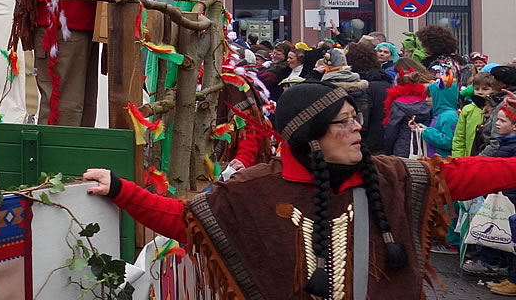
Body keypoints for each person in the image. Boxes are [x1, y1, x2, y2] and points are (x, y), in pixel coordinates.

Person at [83, 80, 516, 299]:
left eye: (355, 117)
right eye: (343, 122)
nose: (357, 128)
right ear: (310, 136)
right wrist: (121, 190)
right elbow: (185, 222)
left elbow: (466, 172)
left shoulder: (393, 175)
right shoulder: (251, 191)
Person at [486, 104, 516, 295]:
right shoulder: (504, 143)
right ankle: (512, 278)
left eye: (502, 120)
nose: (497, 123)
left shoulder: (510, 146)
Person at [345, 41, 391, 155]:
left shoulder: (362, 87)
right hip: (386, 141)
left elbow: (362, 121)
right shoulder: (386, 82)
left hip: (367, 145)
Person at [384, 70, 432, 157]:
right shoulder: (428, 101)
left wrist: (388, 150)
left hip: (403, 148)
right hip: (424, 146)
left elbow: (392, 130)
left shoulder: (398, 103)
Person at [412, 76, 459, 157]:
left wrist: (426, 132)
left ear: (440, 96)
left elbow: (449, 142)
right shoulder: (440, 115)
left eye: (429, 96)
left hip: (443, 162)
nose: (426, 99)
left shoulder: (449, 116)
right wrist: (422, 128)